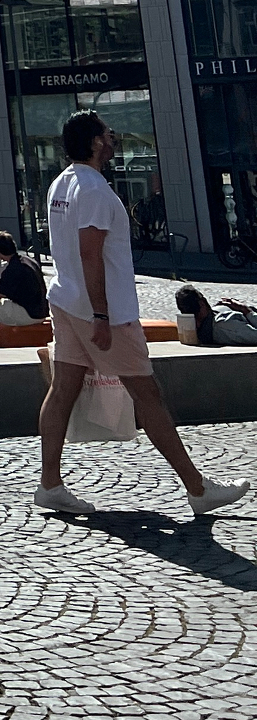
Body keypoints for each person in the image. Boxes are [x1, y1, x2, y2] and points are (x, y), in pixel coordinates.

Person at [36, 110, 248, 517]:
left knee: (63, 389)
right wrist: (101, 315)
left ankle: (50, 483)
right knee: (148, 395)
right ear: (96, 143)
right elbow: (90, 253)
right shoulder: (95, 190)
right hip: (104, 312)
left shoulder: (61, 184)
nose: (113, 140)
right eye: (108, 134)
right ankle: (198, 488)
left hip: (65, 300)